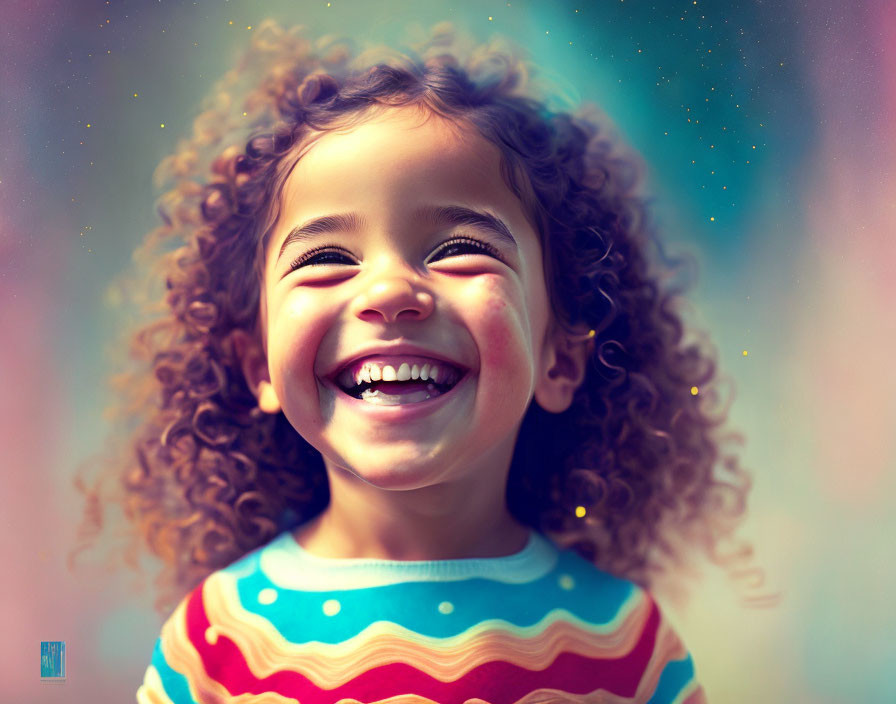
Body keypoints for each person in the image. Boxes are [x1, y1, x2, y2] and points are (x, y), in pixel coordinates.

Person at [75, 19, 766, 703]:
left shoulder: (626, 646)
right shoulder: (215, 642)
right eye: (326, 259)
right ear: (258, 365)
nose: (388, 292)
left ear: (560, 357)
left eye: (458, 249)